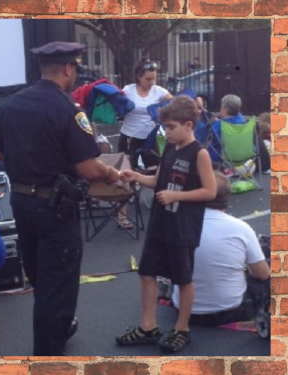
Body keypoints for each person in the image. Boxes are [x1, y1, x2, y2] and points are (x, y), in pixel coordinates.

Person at [0, 41, 120, 356]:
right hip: (55, 209)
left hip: (21, 204)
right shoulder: (69, 109)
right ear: (67, 68)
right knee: (56, 286)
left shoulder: (13, 105)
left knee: (40, 279)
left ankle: (61, 330)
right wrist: (110, 173)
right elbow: (88, 168)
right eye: (75, 68)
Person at [116, 96, 217, 353]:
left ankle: (182, 328)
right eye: (166, 128)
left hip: (182, 227)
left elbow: (210, 191)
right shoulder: (169, 148)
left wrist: (177, 196)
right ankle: (148, 326)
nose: (167, 132)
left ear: (189, 125)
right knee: (146, 272)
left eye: (171, 127)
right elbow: (158, 181)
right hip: (160, 224)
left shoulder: (200, 153)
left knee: (183, 278)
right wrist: (137, 176)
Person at [172, 171, 270, 326]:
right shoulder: (240, 228)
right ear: (226, 198)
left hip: (184, 311)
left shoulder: (176, 225)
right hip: (230, 311)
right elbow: (262, 274)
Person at [117, 59, 173, 229]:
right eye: (148, 79)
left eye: (154, 78)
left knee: (159, 173)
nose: (151, 82)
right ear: (139, 77)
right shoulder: (128, 90)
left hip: (150, 139)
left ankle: (162, 211)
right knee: (126, 176)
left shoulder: (159, 91)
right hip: (129, 137)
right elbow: (116, 104)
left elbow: (177, 104)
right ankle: (122, 217)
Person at [195, 94, 271, 172]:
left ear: (225, 109)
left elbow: (201, 138)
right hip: (245, 159)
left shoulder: (218, 126)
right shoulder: (244, 123)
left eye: (222, 106)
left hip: (225, 161)